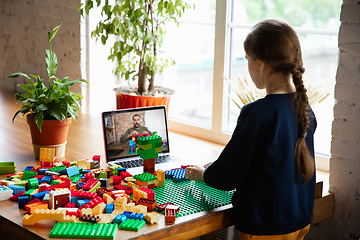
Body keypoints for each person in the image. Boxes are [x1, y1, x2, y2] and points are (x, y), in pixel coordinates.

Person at [185, 19, 317, 240]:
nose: (247, 67)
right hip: (299, 221)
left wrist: (203, 175)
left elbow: (227, 175)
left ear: (260, 64)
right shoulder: (305, 109)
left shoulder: (257, 114)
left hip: (264, 227)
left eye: (247, 59)